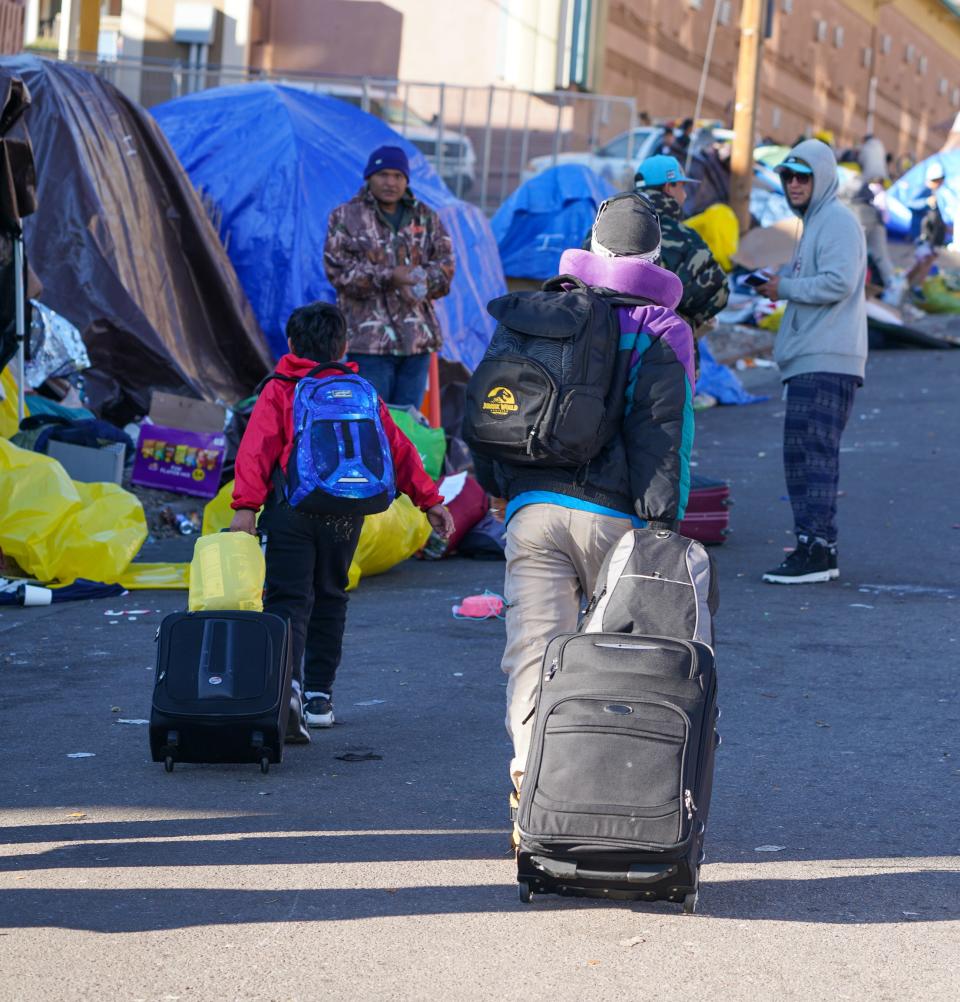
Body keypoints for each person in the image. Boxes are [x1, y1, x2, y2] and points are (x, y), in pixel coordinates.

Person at [473, 192, 696, 794]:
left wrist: (498, 488)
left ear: (592, 244)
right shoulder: (661, 327)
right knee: (607, 660)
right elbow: (663, 435)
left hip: (529, 506)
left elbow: (494, 400)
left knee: (532, 647)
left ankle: (530, 773)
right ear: (655, 253)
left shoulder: (543, 312)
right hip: (612, 516)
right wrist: (662, 526)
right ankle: (588, 786)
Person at [229, 301, 453, 733]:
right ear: (344, 344)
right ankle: (319, 698)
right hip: (346, 515)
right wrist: (431, 502)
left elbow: (256, 450)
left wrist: (245, 508)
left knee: (287, 599)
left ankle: (287, 689)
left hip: (291, 510)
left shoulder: (281, 388)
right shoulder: (360, 391)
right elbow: (398, 449)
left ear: (292, 344)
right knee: (331, 595)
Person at [755, 141, 867, 585]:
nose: (794, 184)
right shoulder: (814, 224)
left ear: (822, 177)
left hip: (827, 359)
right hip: (812, 359)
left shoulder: (837, 220)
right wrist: (783, 283)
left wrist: (785, 288)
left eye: (803, 176)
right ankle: (817, 546)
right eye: (788, 177)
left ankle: (815, 550)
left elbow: (839, 282)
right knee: (804, 457)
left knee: (811, 458)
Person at [324, 145, 455, 408]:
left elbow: (445, 265)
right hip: (369, 344)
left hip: (416, 342)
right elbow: (338, 270)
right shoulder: (346, 216)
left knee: (407, 425)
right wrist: (390, 276)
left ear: (406, 180)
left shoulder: (426, 216)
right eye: (383, 174)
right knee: (370, 420)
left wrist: (418, 281)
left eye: (398, 176)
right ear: (369, 177)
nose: (391, 182)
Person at [634, 153, 729, 334]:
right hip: (664, 351)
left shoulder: (601, 229)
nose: (685, 195)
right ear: (669, 187)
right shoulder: (684, 237)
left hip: (607, 352)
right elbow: (717, 295)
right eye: (682, 187)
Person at [906, 162, 949, 298]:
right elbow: (910, 203)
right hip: (920, 234)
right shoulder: (923, 190)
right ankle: (917, 286)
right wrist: (925, 202)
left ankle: (906, 281)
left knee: (923, 260)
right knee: (925, 258)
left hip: (929, 235)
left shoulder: (933, 193)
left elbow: (936, 216)